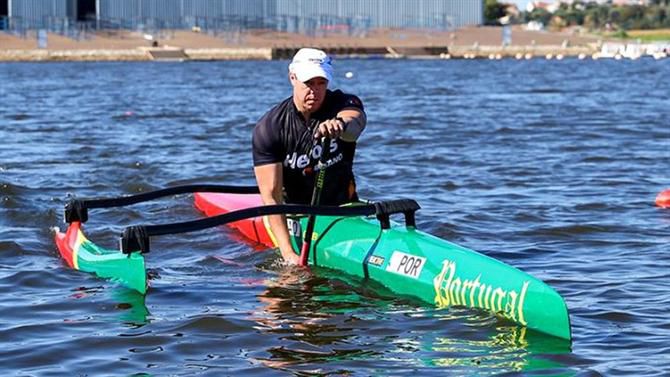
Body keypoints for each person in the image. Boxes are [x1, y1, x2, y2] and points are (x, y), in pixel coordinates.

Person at [252, 48, 367, 264]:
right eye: (308, 83)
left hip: (344, 208)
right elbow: (271, 198)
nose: (315, 90)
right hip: (294, 213)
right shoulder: (269, 128)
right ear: (292, 77)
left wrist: (341, 125)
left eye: (321, 83)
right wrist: (288, 254)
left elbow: (356, 123)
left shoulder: (343, 103)